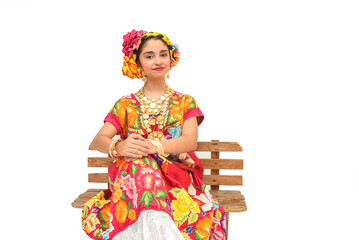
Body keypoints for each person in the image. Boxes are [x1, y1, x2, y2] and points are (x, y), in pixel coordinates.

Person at [81, 29, 227, 240]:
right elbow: (98, 140)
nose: (158, 60)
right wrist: (119, 147)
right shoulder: (126, 104)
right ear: (137, 63)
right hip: (132, 179)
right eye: (149, 56)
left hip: (174, 177)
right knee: (139, 165)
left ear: (171, 58)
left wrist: (154, 147)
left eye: (163, 54)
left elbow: (189, 141)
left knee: (143, 165)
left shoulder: (185, 102)